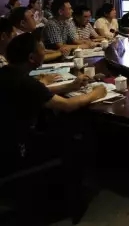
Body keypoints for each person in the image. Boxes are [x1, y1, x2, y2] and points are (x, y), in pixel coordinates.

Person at [0, 33, 106, 163]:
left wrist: (70, 86)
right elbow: (67, 105)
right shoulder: (26, 82)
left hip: (6, 139)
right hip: (17, 149)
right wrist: (96, 93)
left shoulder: (7, 73)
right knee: (77, 131)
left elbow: (38, 92)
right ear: (31, 58)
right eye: (43, 50)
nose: (45, 52)